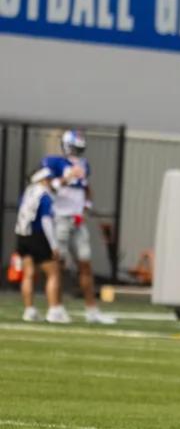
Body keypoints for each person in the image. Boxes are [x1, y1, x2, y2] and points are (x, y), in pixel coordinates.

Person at [41, 129, 116, 324]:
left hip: (77, 220)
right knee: (58, 266)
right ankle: (55, 309)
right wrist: (67, 178)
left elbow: (86, 189)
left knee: (85, 264)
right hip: (60, 219)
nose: (77, 152)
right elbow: (47, 186)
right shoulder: (54, 162)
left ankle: (92, 311)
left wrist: (86, 207)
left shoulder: (84, 165)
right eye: (75, 147)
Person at [16, 167, 71, 323]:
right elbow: (46, 221)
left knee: (28, 273)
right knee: (53, 273)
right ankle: (54, 310)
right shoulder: (44, 196)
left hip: (22, 235)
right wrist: (54, 245)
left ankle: (29, 310)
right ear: (42, 180)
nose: (49, 182)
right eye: (47, 179)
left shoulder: (27, 193)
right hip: (39, 236)